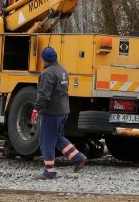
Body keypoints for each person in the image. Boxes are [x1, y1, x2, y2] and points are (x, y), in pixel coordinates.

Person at [31, 46, 87, 180]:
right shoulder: (63, 71)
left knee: (46, 141)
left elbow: (44, 95)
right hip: (63, 111)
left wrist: (36, 109)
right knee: (56, 137)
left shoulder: (47, 73)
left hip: (51, 112)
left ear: (44, 59)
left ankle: (49, 172)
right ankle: (78, 158)